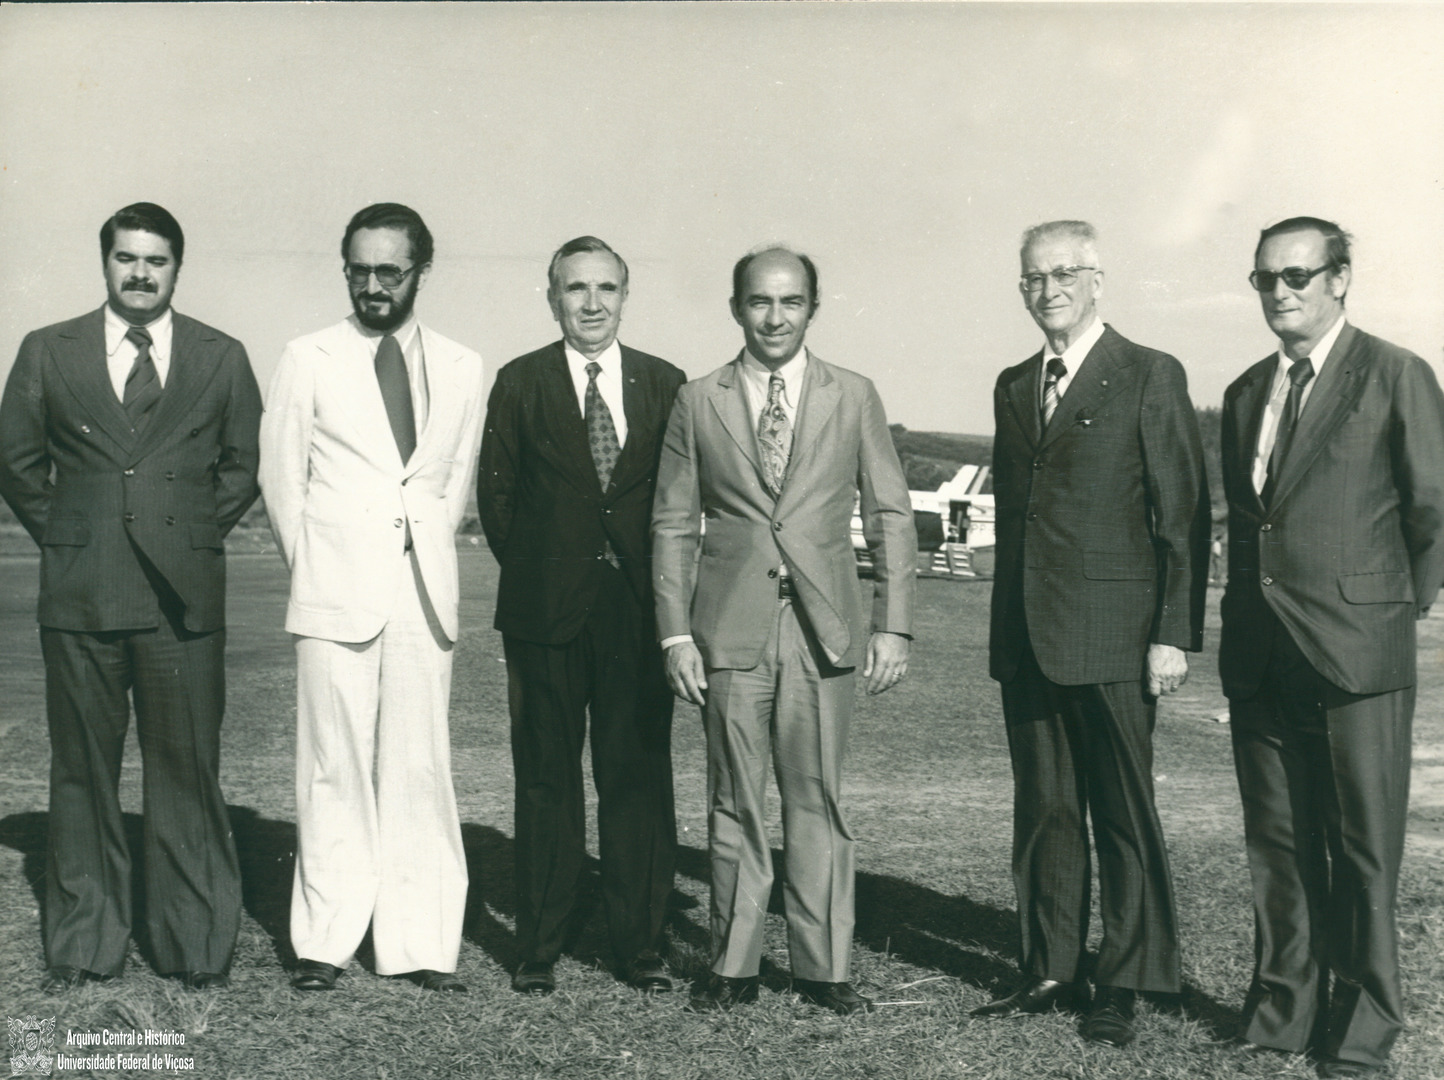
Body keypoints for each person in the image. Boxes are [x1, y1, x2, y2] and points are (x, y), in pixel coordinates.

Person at [0, 202, 262, 992]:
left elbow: (241, 467)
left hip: (182, 603)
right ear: (105, 262)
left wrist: (181, 535)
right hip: (81, 597)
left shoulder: (222, 355)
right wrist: (74, 536)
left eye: (156, 260)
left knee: (187, 771)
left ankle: (194, 943)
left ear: (177, 267)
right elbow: (17, 462)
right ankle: (85, 942)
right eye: (126, 258)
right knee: (82, 772)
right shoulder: (48, 350)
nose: (140, 274)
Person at [652, 246, 915, 1016]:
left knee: (817, 799)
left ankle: (823, 967)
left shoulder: (853, 395)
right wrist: (675, 636)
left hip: (823, 633)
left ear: (812, 308)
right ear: (737, 307)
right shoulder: (697, 400)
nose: (775, 317)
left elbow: (891, 513)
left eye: (791, 302)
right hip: (727, 633)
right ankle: (732, 965)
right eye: (760, 302)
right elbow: (673, 524)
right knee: (733, 799)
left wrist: (893, 626)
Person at [1218, 217, 1444, 1078]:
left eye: (1298, 275)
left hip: (1359, 653)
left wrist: (1389, 608)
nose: (1280, 292)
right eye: (1266, 278)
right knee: (1277, 846)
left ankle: (1363, 1028)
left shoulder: (1395, 374)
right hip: (1263, 654)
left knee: (1363, 849)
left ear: (1340, 278)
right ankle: (1284, 1011)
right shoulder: (1246, 391)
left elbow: (1433, 511)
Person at [974, 221, 1209, 1047]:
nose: (1050, 290)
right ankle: (1050, 965)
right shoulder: (1013, 384)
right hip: (1029, 635)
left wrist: (1171, 633)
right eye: (1034, 278)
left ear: (1098, 280)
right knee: (1045, 808)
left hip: (1115, 633)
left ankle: (1125, 978)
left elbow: (1180, 513)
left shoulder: (1147, 373)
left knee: (1121, 812)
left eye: (1066, 273)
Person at [259, 203, 485, 994]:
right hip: (332, 593)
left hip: (424, 592)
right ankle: (324, 940)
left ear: (421, 271)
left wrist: (415, 558)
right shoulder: (307, 357)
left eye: (389, 271)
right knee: (334, 766)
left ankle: (420, 942)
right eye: (359, 270)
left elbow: (452, 483)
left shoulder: (463, 366)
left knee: (420, 767)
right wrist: (322, 568)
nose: (373, 285)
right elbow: (281, 480)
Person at [476, 236, 685, 996]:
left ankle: (641, 945)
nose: (591, 304)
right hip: (544, 614)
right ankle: (539, 943)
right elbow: (497, 500)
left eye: (606, 288)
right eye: (575, 288)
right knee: (545, 780)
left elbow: (680, 499)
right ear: (552, 297)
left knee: (637, 777)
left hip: (636, 612)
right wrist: (550, 570)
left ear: (625, 296)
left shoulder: (665, 384)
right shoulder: (520, 381)